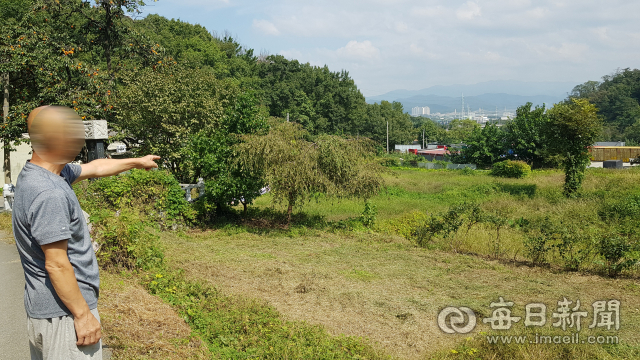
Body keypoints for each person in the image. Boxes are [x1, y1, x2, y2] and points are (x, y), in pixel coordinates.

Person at [12, 106, 160, 360]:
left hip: (48, 313)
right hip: (65, 318)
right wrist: (83, 316)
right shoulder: (50, 193)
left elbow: (96, 167)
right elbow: (57, 264)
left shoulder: (45, 173)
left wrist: (137, 162)